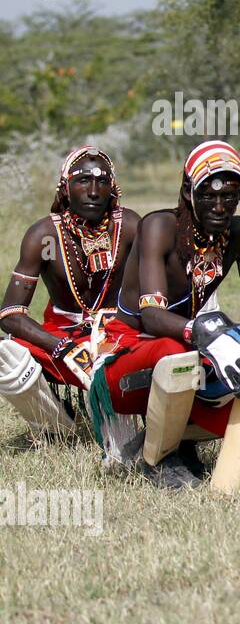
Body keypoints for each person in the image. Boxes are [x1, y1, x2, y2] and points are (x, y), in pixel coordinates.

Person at [91, 140, 240, 488]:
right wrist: (203, 332)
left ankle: (184, 436)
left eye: (230, 196)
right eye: (208, 195)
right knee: (176, 357)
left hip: (192, 348)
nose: (220, 206)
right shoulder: (159, 227)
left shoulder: (237, 232)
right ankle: (161, 456)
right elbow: (151, 317)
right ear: (187, 191)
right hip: (133, 350)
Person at [0, 146, 139, 436]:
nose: (93, 190)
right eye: (82, 180)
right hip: (61, 335)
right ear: (65, 188)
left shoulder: (129, 227)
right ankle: (58, 427)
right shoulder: (43, 236)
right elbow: (10, 314)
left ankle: (137, 423)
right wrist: (60, 347)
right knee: (6, 355)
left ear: (113, 187)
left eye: (102, 181)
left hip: (117, 333)